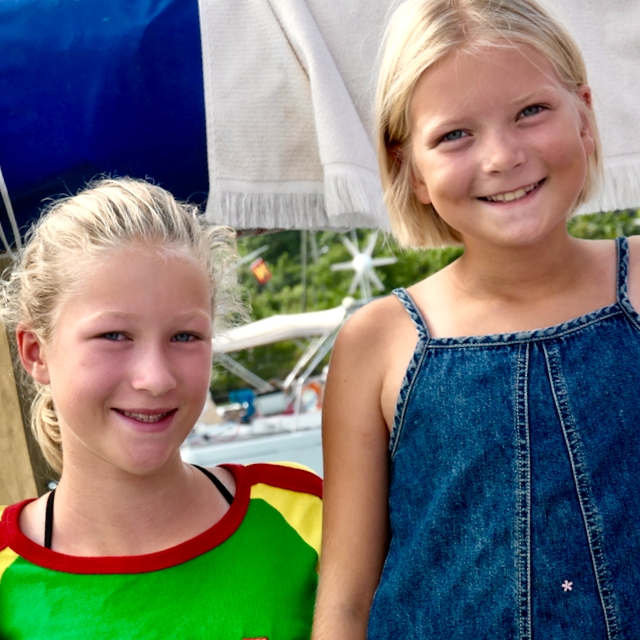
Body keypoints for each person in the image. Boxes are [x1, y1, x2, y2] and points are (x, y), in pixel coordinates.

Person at [312, 0, 640, 638]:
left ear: (585, 116)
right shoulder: (377, 342)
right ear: (409, 169)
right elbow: (346, 600)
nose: (502, 157)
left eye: (530, 111)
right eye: (454, 135)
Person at [0, 177, 322, 639]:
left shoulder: (307, 517)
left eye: (185, 336)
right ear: (36, 352)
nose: (155, 378)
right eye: (114, 335)